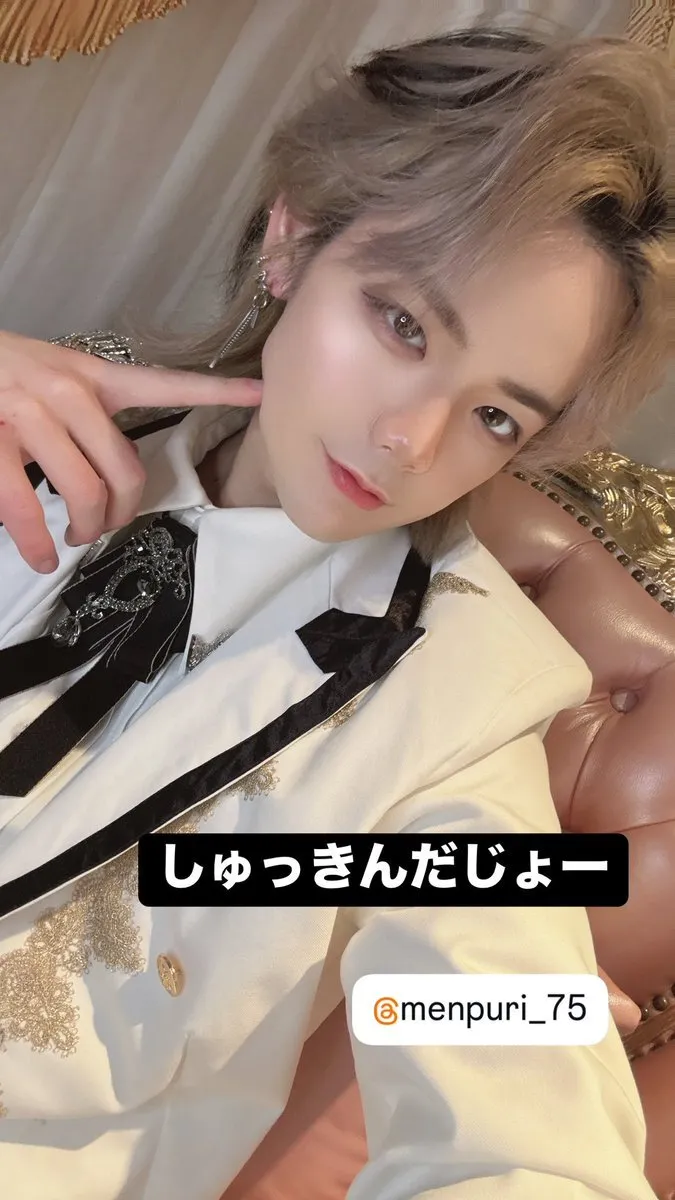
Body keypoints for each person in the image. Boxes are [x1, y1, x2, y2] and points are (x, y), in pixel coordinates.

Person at [0, 26, 671, 1200]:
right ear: (290, 238)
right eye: (404, 325)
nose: (410, 440)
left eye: (497, 417)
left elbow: (516, 1098)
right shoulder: (51, 422)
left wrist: (542, 1008)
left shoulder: (466, 705)